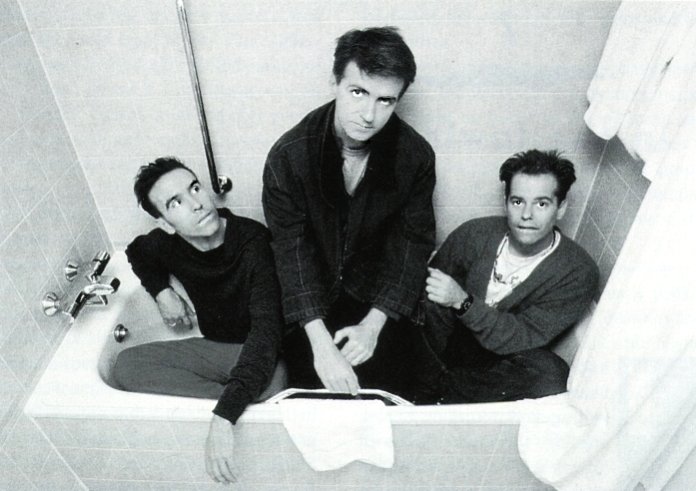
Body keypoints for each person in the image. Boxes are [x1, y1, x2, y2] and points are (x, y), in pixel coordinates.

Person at [262, 26, 436, 398]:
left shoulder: (415, 156)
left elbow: (412, 245)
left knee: (392, 398)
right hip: (313, 302)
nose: (369, 115)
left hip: (377, 299)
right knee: (313, 399)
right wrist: (321, 346)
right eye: (358, 92)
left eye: (385, 100)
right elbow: (291, 253)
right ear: (335, 82)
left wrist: (374, 325)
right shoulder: (289, 156)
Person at [113, 157, 286, 485]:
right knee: (125, 366)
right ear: (165, 223)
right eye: (175, 202)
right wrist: (162, 292)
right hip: (217, 348)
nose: (196, 204)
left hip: (263, 353)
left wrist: (223, 417)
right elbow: (137, 252)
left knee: (274, 385)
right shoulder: (168, 242)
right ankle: (238, 397)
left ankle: (235, 400)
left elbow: (267, 331)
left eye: (194, 188)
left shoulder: (253, 242)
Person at [414, 149, 599, 404]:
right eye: (518, 202)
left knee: (551, 374)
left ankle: (437, 395)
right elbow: (425, 297)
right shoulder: (474, 234)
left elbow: (520, 336)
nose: (526, 215)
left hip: (499, 360)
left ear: (561, 208)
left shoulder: (577, 272)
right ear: (506, 202)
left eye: (541, 204)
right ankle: (423, 386)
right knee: (424, 299)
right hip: (448, 343)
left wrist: (463, 302)